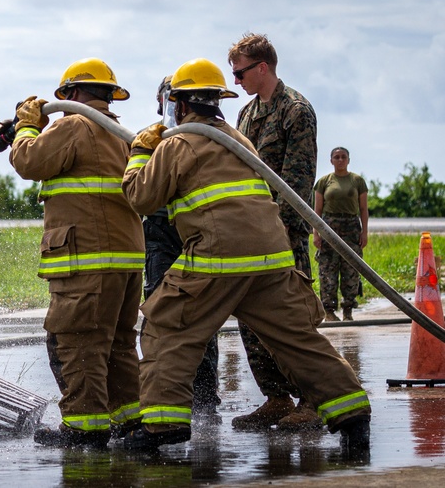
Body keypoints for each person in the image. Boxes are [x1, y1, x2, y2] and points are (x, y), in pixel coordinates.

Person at [120, 57, 371, 454]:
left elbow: (139, 197)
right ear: (217, 100)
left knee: (166, 328)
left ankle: (162, 426)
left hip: (218, 259)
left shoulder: (177, 143)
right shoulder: (239, 139)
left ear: (179, 105)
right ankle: (353, 413)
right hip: (272, 258)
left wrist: (140, 150)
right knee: (298, 340)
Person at [4, 57, 145, 449]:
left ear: (71, 95)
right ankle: (127, 421)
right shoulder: (121, 135)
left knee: (77, 342)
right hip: (126, 263)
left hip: (87, 265)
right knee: (117, 345)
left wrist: (28, 126)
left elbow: (30, 160)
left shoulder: (73, 125)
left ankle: (85, 427)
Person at [228, 33, 321, 431]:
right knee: (252, 322)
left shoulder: (296, 112)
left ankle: (314, 400)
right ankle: (277, 398)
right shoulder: (246, 115)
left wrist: (274, 232)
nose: (236, 81)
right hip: (252, 235)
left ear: (262, 67)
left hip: (282, 238)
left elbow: (296, 185)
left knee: (292, 321)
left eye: (241, 72)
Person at [143, 76, 221, 423]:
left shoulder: (212, 135)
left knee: (202, 313)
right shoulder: (149, 138)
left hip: (197, 231)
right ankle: (168, 398)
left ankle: (203, 397)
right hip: (161, 231)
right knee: (164, 310)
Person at [314, 147, 369, 322]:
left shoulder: (357, 181)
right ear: (331, 160)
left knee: (351, 270)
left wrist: (365, 232)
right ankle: (329, 311)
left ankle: (348, 311)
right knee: (328, 271)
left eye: (343, 157)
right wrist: (316, 233)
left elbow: (363, 209)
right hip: (329, 227)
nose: (340, 160)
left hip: (351, 227)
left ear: (348, 160)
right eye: (336, 157)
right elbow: (317, 210)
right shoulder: (324, 182)